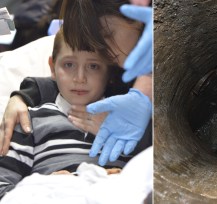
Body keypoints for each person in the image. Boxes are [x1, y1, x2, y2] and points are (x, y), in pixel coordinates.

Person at [0, 24, 147, 198]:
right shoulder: (30, 121)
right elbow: (3, 187)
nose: (79, 78)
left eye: (93, 66)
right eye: (68, 64)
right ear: (52, 67)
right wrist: (47, 187)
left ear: (110, 74)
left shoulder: (131, 123)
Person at [0, 0, 153, 166]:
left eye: (108, 34)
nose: (103, 49)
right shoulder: (119, 66)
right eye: (69, 65)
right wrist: (24, 96)